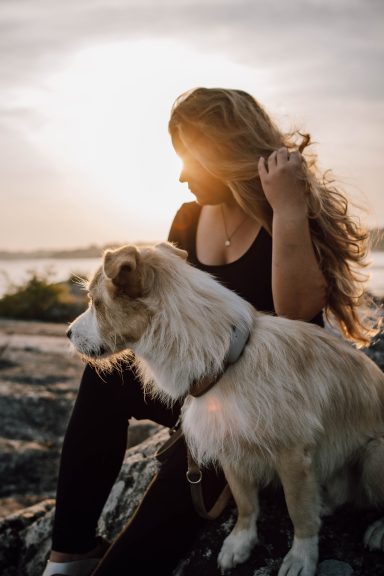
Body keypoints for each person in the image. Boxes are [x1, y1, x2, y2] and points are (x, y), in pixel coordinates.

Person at [42, 87, 378, 576]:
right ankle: (69, 554)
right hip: (199, 391)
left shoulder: (284, 209)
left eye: (190, 160)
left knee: (186, 474)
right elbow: (161, 315)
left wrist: (286, 210)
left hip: (264, 401)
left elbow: (299, 315)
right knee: (104, 380)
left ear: (226, 152)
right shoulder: (188, 217)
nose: (181, 175)